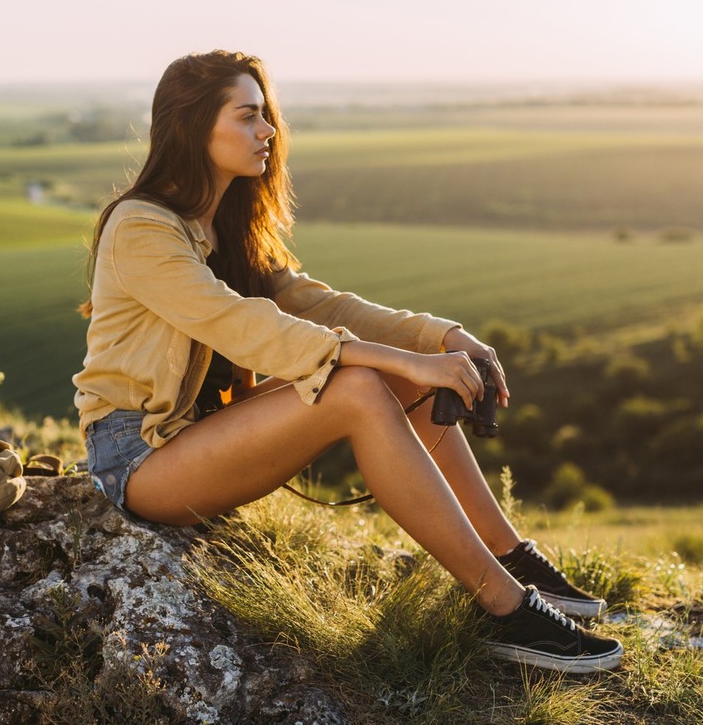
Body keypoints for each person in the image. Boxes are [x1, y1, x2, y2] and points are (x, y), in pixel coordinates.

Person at [72, 50, 622, 673]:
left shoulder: (226, 224)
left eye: (267, 115)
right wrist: (406, 362)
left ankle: (511, 557)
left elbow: (317, 304)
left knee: (381, 374)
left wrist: (441, 338)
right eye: (248, 116)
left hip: (203, 436)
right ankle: (501, 607)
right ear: (193, 127)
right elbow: (243, 325)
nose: (268, 132)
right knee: (358, 388)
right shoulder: (141, 228)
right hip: (138, 457)